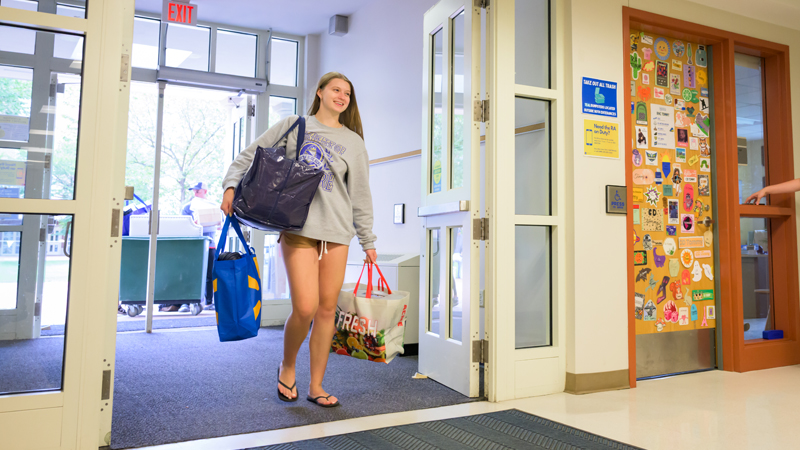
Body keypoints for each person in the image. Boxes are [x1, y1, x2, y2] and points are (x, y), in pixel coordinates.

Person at [220, 72, 377, 408]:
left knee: (325, 311)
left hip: (336, 232)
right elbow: (251, 154)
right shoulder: (295, 125)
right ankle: (287, 365)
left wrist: (369, 241)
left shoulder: (354, 142)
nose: (342, 96)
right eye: (336, 89)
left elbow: (360, 195)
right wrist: (231, 185)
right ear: (319, 92)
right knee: (304, 307)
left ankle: (317, 386)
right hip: (298, 228)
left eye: (347, 93)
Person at [174, 182, 221, 313]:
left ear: (205, 191)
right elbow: (183, 225)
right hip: (193, 245)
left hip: (210, 243)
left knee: (210, 274)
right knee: (190, 273)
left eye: (198, 191)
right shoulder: (188, 207)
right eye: (194, 191)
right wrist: (193, 224)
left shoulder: (213, 206)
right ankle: (186, 303)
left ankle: (209, 302)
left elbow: (220, 224)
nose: (195, 193)